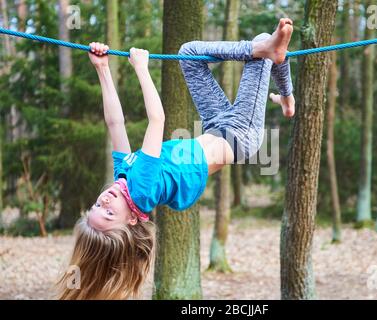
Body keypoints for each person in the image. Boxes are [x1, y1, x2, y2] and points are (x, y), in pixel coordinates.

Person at [57, 18, 295, 299]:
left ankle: (287, 100)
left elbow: (115, 124)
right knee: (262, 46)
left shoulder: (124, 177)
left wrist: (103, 69)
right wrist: (142, 70)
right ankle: (281, 79)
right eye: (109, 213)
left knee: (190, 55)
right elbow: (157, 120)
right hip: (240, 134)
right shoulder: (141, 191)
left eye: (97, 204)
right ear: (131, 220)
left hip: (216, 125)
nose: (105, 200)